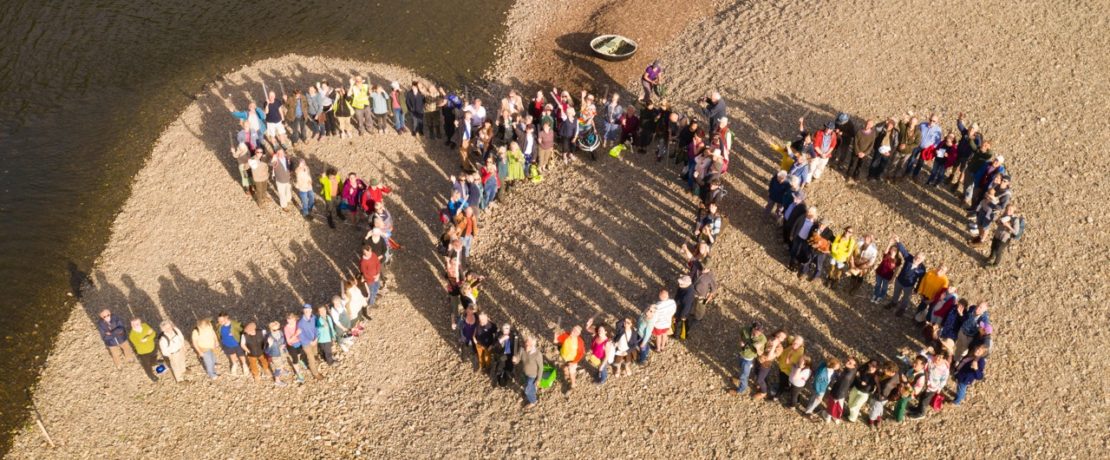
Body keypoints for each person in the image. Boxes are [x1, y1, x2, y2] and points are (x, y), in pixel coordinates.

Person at [884, 237, 927, 316]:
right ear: (915, 255)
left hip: (909, 286)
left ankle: (902, 309)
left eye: (919, 258)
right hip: (899, 281)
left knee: (906, 299)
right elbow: (903, 251)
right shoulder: (909, 258)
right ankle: (893, 303)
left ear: (922, 260)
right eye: (917, 256)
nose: (917, 258)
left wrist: (916, 289)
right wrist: (898, 241)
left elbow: (921, 280)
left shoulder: (922, 269)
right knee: (896, 294)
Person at [731, 321, 766, 395]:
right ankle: (740, 379)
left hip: (748, 360)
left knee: (744, 375)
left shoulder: (762, 339)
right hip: (742, 354)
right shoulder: (745, 330)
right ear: (752, 328)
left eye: (760, 331)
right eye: (757, 330)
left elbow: (760, 353)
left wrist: (758, 349)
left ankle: (740, 390)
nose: (759, 333)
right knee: (741, 368)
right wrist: (741, 342)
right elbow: (741, 333)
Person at [753, 329, 786, 400]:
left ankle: (763, 392)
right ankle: (761, 385)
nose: (779, 337)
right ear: (776, 333)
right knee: (756, 373)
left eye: (782, 337)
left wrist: (774, 346)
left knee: (759, 380)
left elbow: (769, 357)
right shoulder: (769, 338)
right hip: (758, 360)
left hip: (765, 365)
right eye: (779, 335)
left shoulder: (780, 348)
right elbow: (761, 343)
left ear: (783, 340)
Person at [823, 357, 857, 423]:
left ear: (854, 365)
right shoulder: (853, 370)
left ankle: (827, 417)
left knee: (832, 405)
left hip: (837, 393)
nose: (847, 362)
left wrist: (835, 396)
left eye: (850, 363)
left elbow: (840, 385)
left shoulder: (846, 376)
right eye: (848, 360)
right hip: (843, 393)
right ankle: (836, 418)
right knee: (839, 407)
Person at [773, 335, 805, 401]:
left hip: (787, 371)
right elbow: (790, 337)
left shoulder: (798, 353)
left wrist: (789, 353)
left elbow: (788, 362)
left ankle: (777, 396)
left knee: (783, 383)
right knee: (787, 383)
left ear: (801, 344)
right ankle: (793, 393)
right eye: (794, 342)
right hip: (783, 367)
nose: (794, 344)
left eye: (797, 344)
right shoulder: (794, 346)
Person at [554, 324, 586, 389]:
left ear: (578, 334)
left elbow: (581, 353)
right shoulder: (566, 335)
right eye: (572, 329)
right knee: (563, 366)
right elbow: (556, 341)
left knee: (572, 372)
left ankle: (573, 384)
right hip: (563, 356)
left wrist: (574, 362)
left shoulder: (580, 342)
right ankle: (566, 374)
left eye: (575, 331)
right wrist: (555, 338)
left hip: (572, 360)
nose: (572, 331)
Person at [297, 305, 324, 379]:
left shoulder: (314, 318)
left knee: (315, 352)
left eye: (308, 310)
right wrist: (310, 341)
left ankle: (315, 357)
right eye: (305, 310)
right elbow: (301, 336)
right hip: (306, 343)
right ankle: (315, 374)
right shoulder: (300, 323)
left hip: (314, 339)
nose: (307, 312)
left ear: (311, 310)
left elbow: (316, 328)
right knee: (311, 358)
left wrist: (316, 338)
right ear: (303, 311)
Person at [584, 318, 614, 384]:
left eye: (602, 330)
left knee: (602, 370)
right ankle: (599, 372)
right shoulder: (597, 333)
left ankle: (602, 380)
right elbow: (588, 328)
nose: (600, 331)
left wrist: (602, 365)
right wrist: (589, 323)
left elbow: (607, 356)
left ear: (606, 332)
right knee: (598, 367)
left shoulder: (607, 343)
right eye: (599, 330)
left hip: (602, 359)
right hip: (596, 356)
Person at [128, 317, 159, 382]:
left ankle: (154, 362)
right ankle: (151, 376)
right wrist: (148, 335)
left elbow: (153, 334)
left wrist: (147, 337)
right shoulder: (132, 335)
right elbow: (140, 342)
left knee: (154, 357)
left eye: (137, 324)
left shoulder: (145, 325)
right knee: (146, 365)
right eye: (133, 324)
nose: (135, 326)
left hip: (152, 347)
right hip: (143, 353)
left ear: (140, 323)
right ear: (131, 325)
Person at [490, 323, 519, 387]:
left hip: (510, 355)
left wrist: (516, 355)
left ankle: (509, 376)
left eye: (507, 329)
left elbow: (517, 346)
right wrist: (501, 340)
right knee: (499, 367)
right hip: (501, 355)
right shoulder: (498, 335)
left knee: (510, 367)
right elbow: (493, 348)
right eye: (504, 329)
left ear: (509, 329)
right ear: (502, 330)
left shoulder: (514, 336)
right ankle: (498, 377)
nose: (506, 331)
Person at [650, 289, 677, 353]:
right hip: (667, 324)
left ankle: (658, 349)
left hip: (658, 325)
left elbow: (654, 317)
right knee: (665, 334)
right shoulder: (672, 302)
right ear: (667, 296)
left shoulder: (657, 306)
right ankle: (663, 346)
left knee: (658, 337)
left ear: (660, 296)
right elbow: (674, 311)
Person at [519, 335, 543, 409]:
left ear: (532, 345)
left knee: (527, 391)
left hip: (533, 375)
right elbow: (517, 358)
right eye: (525, 343)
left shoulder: (537, 354)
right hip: (525, 373)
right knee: (528, 386)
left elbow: (541, 368)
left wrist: (538, 379)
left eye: (528, 344)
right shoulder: (522, 349)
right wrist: (515, 360)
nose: (526, 346)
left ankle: (533, 401)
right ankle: (533, 390)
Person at [265, 321, 290, 386]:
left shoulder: (281, 332)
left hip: (282, 351)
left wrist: (284, 345)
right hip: (275, 354)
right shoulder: (268, 337)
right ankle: (277, 380)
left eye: (278, 328)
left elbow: (284, 340)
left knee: (283, 362)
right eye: (274, 330)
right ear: (270, 329)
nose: (277, 331)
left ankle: (282, 370)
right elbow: (266, 351)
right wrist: (270, 345)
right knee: (277, 367)